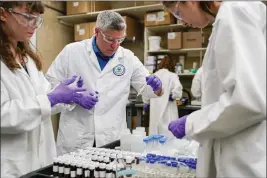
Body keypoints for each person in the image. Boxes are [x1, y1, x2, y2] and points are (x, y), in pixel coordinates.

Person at [163, 1, 266, 177]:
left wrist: (191, 123)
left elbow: (249, 100)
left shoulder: (234, 12)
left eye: (179, 13)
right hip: (238, 150)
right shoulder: (225, 19)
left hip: (243, 159)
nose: (182, 22)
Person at [45, 10, 163, 155]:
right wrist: (73, 97)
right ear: (97, 32)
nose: (115, 45)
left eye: (120, 40)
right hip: (77, 136)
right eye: (110, 39)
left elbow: (147, 89)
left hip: (111, 137)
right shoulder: (71, 52)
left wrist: (157, 87)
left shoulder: (128, 58)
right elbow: (50, 86)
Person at [0, 2, 95, 177]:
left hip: (40, 162)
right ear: (3, 14)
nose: (34, 25)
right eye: (28, 17)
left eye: (38, 19)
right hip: (10, 166)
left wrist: (69, 94)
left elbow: (45, 99)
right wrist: (51, 98)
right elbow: (3, 114)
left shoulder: (27, 58)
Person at [143, 55, 183, 137]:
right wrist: (174, 96)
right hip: (168, 106)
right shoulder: (172, 75)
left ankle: (154, 147)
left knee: (155, 131)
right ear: (172, 66)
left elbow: (146, 91)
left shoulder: (153, 76)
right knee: (168, 133)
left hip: (155, 107)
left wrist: (146, 102)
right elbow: (178, 88)